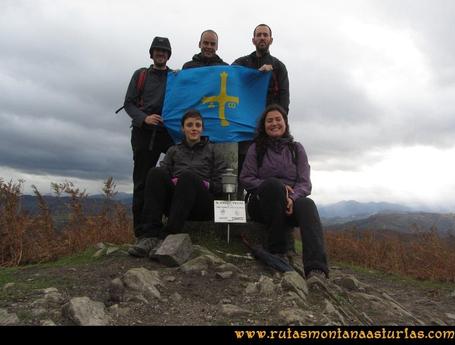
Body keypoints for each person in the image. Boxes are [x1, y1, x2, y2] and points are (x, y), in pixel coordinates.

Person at [239, 104, 329, 279]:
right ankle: (277, 251)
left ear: (285, 123)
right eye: (269, 120)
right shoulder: (255, 149)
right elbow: (246, 178)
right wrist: (279, 188)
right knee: (273, 185)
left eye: (278, 119)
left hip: (290, 204)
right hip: (262, 204)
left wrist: (292, 198)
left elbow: (305, 183)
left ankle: (316, 267)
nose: (274, 123)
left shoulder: (296, 149)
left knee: (307, 204)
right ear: (264, 126)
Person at [128, 110, 227, 257]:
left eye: (198, 125)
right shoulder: (173, 150)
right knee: (155, 172)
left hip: (203, 205)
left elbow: (222, 186)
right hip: (176, 203)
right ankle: (149, 236)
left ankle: (167, 237)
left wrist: (204, 184)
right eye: (189, 125)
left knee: (188, 176)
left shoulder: (213, 150)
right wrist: (173, 181)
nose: (194, 128)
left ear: (202, 129)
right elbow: (162, 176)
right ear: (183, 128)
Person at [123, 36, 175, 241]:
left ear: (168, 55)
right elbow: (128, 104)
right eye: (157, 50)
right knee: (142, 183)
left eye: (164, 51)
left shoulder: (175, 76)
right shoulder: (140, 75)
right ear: (152, 53)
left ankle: (165, 226)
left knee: (172, 179)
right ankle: (141, 232)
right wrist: (144, 118)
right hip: (144, 134)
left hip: (169, 134)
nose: (160, 53)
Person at [232, 24, 290, 185]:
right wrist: (257, 74)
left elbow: (284, 99)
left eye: (265, 35)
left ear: (271, 40)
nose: (262, 37)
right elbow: (227, 79)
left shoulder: (279, 67)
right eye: (259, 35)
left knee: (266, 169)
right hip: (244, 129)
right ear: (253, 40)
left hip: (268, 129)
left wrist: (279, 124)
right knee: (242, 172)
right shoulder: (241, 62)